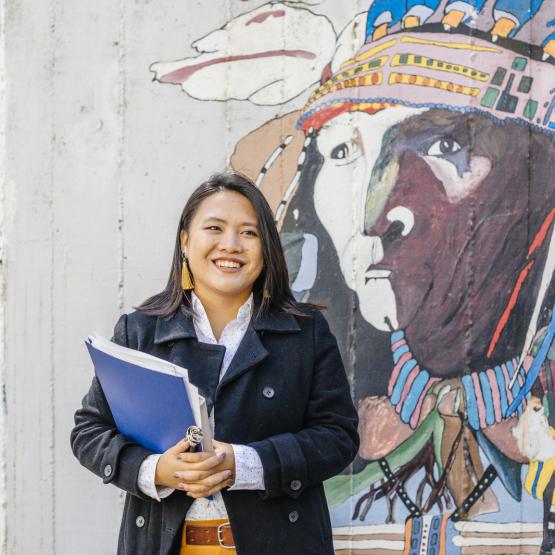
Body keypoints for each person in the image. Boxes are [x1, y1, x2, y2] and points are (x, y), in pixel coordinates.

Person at [70, 172, 359, 555]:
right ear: (186, 241)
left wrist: (244, 463)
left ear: (267, 249)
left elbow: (338, 437)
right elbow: (89, 431)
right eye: (215, 228)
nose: (231, 245)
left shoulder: (305, 333)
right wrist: (155, 470)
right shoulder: (140, 332)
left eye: (249, 233)